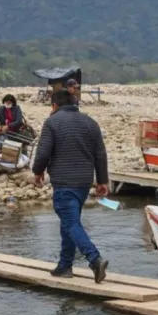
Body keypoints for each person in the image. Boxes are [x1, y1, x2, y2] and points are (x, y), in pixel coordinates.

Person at [32, 89, 109, 283]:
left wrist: (37, 172)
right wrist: (102, 181)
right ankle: (65, 265)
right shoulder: (91, 123)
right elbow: (100, 154)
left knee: (71, 222)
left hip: (64, 181)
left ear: (54, 106)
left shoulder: (52, 122)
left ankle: (94, 259)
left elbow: (43, 153)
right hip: (83, 182)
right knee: (70, 222)